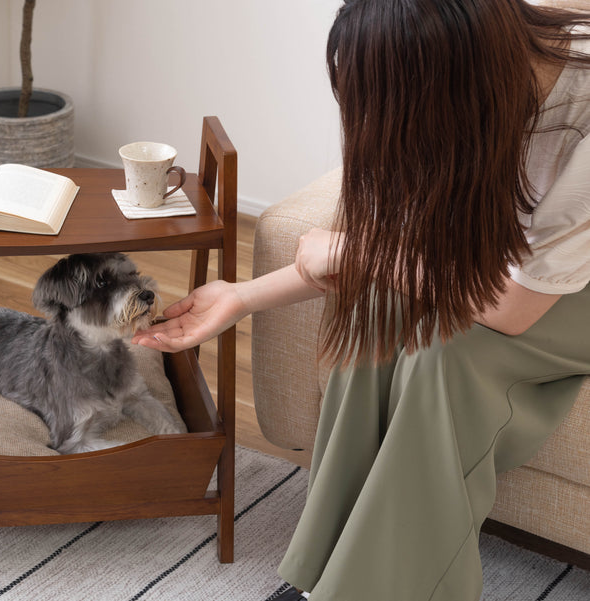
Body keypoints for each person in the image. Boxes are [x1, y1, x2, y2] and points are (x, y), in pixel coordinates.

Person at [132, 1, 590, 599]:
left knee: (444, 354)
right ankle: (330, 573)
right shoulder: (467, 90)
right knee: (379, 315)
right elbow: (404, 252)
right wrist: (241, 297)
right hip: (511, 273)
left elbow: (515, 307)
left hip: (564, 294)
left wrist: (361, 256)